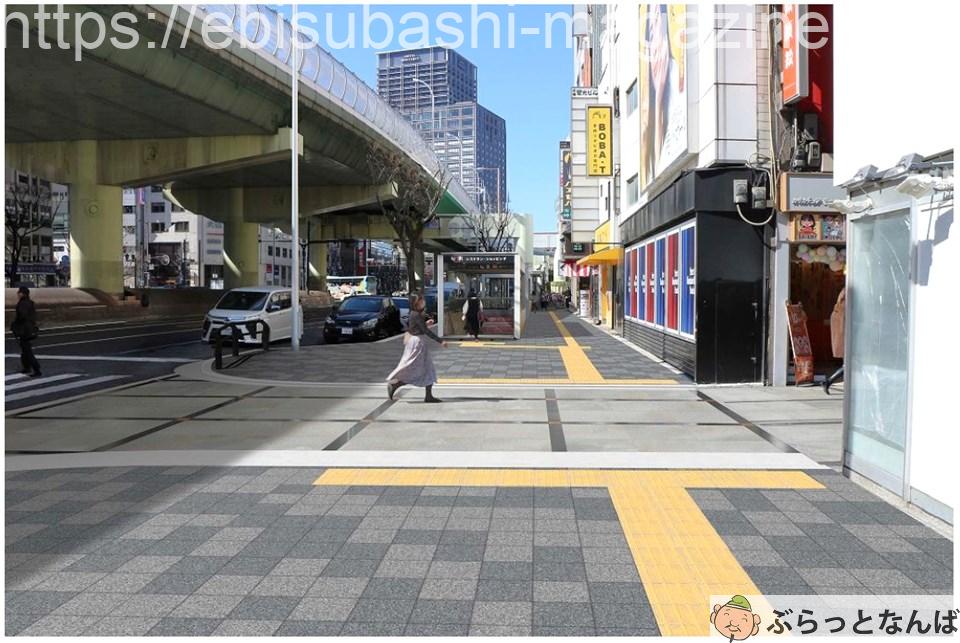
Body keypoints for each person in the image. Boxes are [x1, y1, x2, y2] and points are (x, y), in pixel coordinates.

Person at [387, 293, 447, 402]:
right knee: (417, 369)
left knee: (426, 369)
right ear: (416, 303)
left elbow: (416, 328)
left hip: (417, 342)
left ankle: (428, 396)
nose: (423, 302)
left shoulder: (415, 314)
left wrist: (425, 324)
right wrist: (440, 341)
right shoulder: (416, 314)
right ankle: (395, 385)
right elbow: (425, 331)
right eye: (421, 300)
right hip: (418, 344)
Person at [11, 286, 41, 377]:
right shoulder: (29, 302)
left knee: (27, 350)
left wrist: (15, 324)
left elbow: (22, 316)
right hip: (29, 329)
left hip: (24, 330)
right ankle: (27, 367)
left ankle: (36, 369)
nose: (17, 294)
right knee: (25, 349)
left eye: (19, 292)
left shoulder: (23, 303)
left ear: (22, 294)